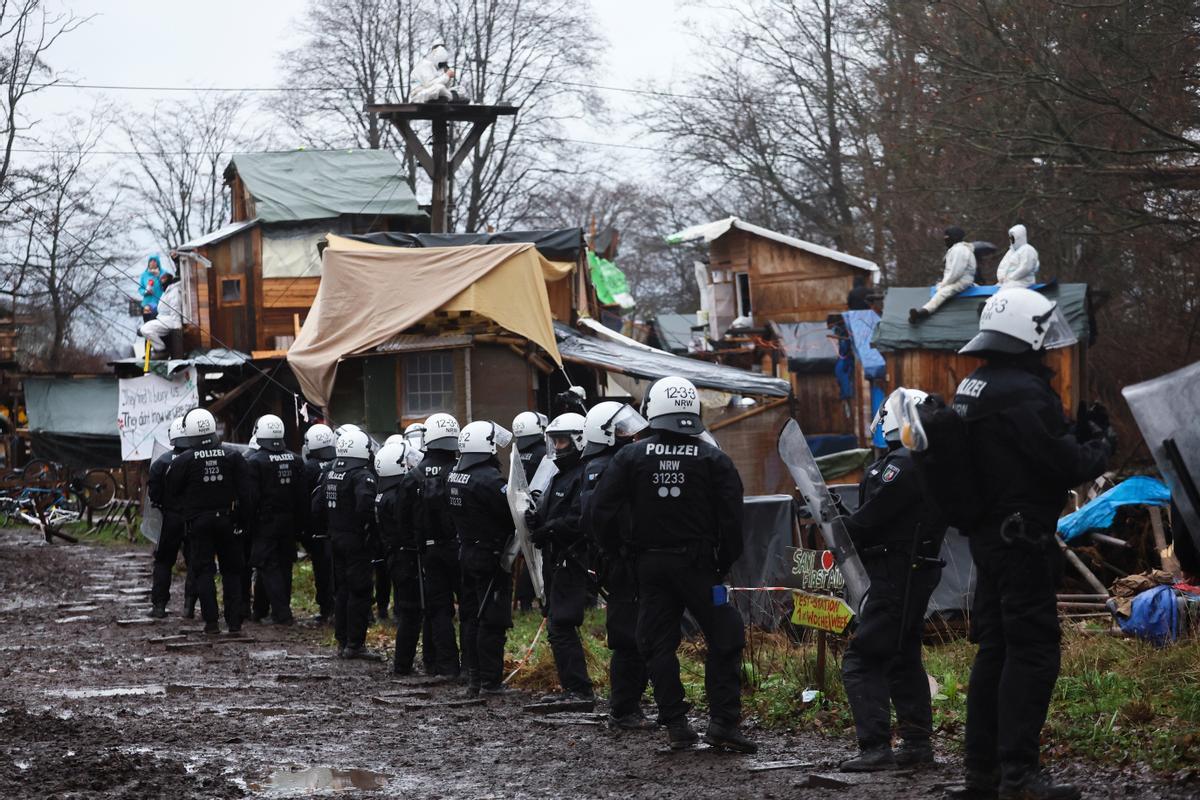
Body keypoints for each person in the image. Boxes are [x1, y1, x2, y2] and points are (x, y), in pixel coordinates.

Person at [942, 288, 1110, 800]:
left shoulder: (977, 384)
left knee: (995, 650)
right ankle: (1019, 776)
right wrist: (1100, 440)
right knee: (1032, 652)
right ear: (1025, 336)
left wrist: (1070, 434)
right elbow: (1067, 465)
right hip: (1021, 542)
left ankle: (982, 775)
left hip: (991, 540)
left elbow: (1021, 452)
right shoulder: (1022, 391)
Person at [587, 376, 755, 753]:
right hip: (700, 568)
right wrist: (720, 564)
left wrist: (619, 553)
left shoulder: (629, 457)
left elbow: (600, 512)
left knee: (656, 643)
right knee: (725, 637)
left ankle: (676, 723)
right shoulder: (714, 458)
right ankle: (724, 723)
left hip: (649, 568)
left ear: (652, 410)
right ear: (692, 409)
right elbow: (732, 520)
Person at [838, 388, 947, 772]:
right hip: (916, 569)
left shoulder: (899, 465)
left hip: (895, 574)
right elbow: (887, 515)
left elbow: (870, 522)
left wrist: (838, 524)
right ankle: (916, 744)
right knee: (903, 655)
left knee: (862, 659)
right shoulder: (933, 463)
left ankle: (875, 748)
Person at [579, 401, 653, 731]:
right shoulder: (607, 466)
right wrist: (618, 551)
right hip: (623, 563)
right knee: (627, 638)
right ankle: (624, 710)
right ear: (605, 434)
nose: (630, 433)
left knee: (639, 635)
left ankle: (630, 705)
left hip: (621, 560)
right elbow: (598, 519)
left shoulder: (610, 463)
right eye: (622, 429)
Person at [526, 412, 595, 705]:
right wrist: (533, 519)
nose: (557, 448)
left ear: (580, 439)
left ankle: (579, 691)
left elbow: (579, 518)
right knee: (556, 622)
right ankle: (573, 688)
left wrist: (550, 529)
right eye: (553, 441)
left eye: (563, 441)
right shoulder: (560, 474)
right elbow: (552, 511)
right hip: (556, 558)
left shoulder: (584, 473)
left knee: (561, 623)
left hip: (572, 558)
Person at [164, 408, 250, 635]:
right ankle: (234, 624)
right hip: (228, 521)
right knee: (232, 571)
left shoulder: (183, 460)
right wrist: (242, 520)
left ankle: (211, 623)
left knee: (203, 571)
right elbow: (247, 493)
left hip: (198, 524)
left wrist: (187, 513)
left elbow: (172, 492)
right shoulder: (233, 456)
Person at [449, 420, 517, 696]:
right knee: (492, 619)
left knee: (472, 616)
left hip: (467, 552)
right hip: (489, 556)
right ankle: (490, 682)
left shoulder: (456, 475)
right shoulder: (489, 479)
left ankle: (474, 677)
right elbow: (510, 514)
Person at [400, 412, 463, 677]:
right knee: (470, 608)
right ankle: (472, 667)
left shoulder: (413, 475)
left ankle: (447, 667)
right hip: (460, 549)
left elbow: (401, 517)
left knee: (439, 611)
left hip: (428, 551)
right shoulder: (461, 470)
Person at [317, 428, 378, 658]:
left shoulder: (331, 473)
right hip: (356, 542)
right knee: (359, 591)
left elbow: (318, 505)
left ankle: (342, 641)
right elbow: (366, 506)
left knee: (341, 591)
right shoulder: (362, 475)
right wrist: (369, 529)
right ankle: (355, 644)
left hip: (336, 538)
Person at [242, 414, 306, 626]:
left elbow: (251, 498)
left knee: (267, 565)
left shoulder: (254, 462)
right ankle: (260, 610)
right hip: (289, 521)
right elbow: (301, 495)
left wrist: (246, 524)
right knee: (283, 564)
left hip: (265, 522)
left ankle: (282, 613)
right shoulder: (295, 459)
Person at [375, 439, 423, 675]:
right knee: (411, 611)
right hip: (404, 559)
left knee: (409, 610)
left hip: (394, 557)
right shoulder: (396, 497)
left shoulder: (384, 492)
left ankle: (403, 662)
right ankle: (402, 664)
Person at [146, 416, 197, 619]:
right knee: (195, 562)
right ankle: (189, 606)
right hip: (194, 518)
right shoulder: (198, 460)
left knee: (163, 562)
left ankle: (159, 606)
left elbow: (154, 494)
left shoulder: (160, 463)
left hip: (170, 519)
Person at [300, 424, 337, 622]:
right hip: (337, 525)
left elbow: (303, 499)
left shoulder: (309, 468)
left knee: (322, 569)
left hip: (317, 528)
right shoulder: (339, 463)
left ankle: (326, 607)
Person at [512, 410, 548, 611]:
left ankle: (524, 600)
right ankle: (532, 598)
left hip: (519, 505)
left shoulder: (518, 452)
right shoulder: (543, 453)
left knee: (526, 553)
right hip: (539, 505)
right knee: (535, 555)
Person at [910, 226, 977, 323]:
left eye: (947, 238)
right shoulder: (955, 249)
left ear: (954, 238)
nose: (945, 241)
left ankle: (923, 312)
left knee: (943, 292)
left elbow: (956, 272)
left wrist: (944, 284)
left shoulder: (960, 250)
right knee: (940, 288)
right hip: (956, 279)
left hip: (961, 280)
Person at [138, 272, 182, 355]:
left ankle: (161, 350)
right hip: (162, 319)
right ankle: (153, 351)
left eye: (164, 279)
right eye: (161, 279)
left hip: (169, 321)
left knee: (146, 330)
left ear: (169, 279)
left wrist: (177, 327)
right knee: (144, 328)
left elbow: (175, 309)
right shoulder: (166, 291)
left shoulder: (174, 292)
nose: (162, 281)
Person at [995, 224, 1039, 289]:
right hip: (1008, 282)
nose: (1011, 240)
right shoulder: (1011, 252)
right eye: (1010, 238)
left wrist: (1011, 277)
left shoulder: (1027, 250)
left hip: (1023, 282)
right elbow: (1002, 266)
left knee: (1004, 292)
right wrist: (1001, 278)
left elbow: (1026, 268)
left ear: (1019, 237)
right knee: (997, 289)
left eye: (1013, 238)